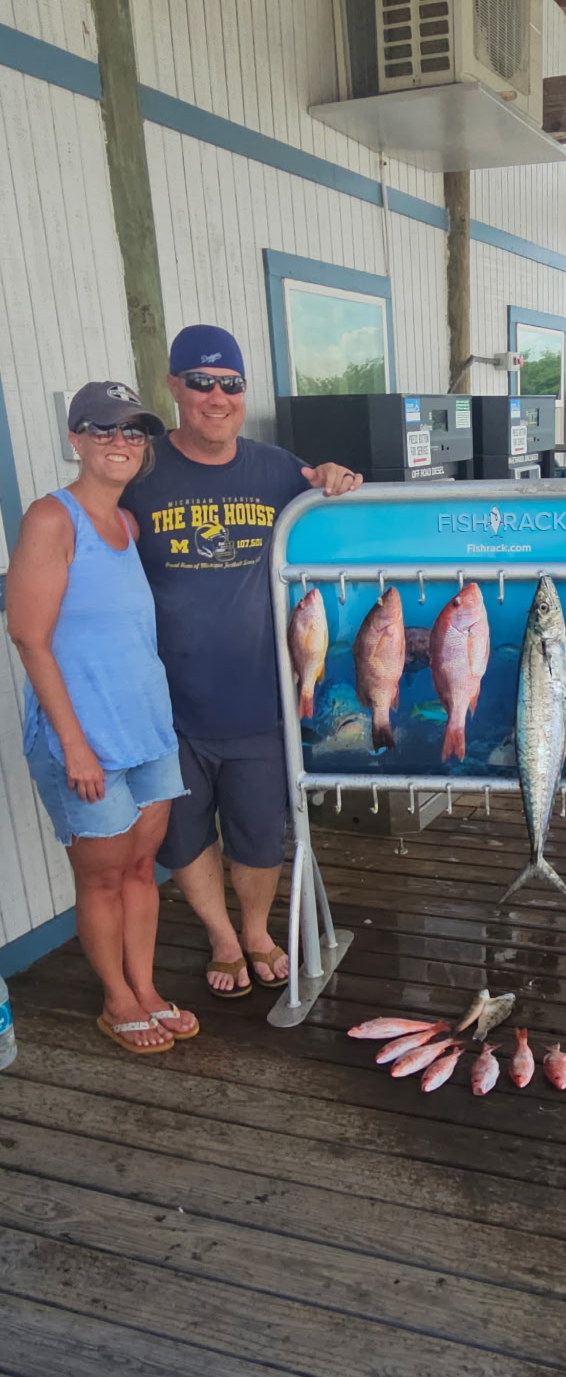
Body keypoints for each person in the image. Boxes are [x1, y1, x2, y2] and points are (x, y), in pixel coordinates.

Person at [125, 325, 362, 999]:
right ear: (173, 386)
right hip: (166, 707)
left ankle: (256, 930)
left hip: (262, 699)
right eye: (200, 382)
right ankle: (221, 938)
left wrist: (336, 478)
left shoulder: (275, 468)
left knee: (259, 833)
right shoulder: (138, 473)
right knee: (183, 834)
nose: (216, 397)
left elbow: (330, 501)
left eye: (229, 384)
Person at [7, 382, 197, 1055]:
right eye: (104, 430)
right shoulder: (50, 520)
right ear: (76, 440)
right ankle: (116, 1001)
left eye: (133, 432)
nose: (120, 443)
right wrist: (74, 745)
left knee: (143, 869)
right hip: (84, 740)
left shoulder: (130, 524)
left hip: (147, 730)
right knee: (102, 876)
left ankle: (144, 988)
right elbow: (29, 636)